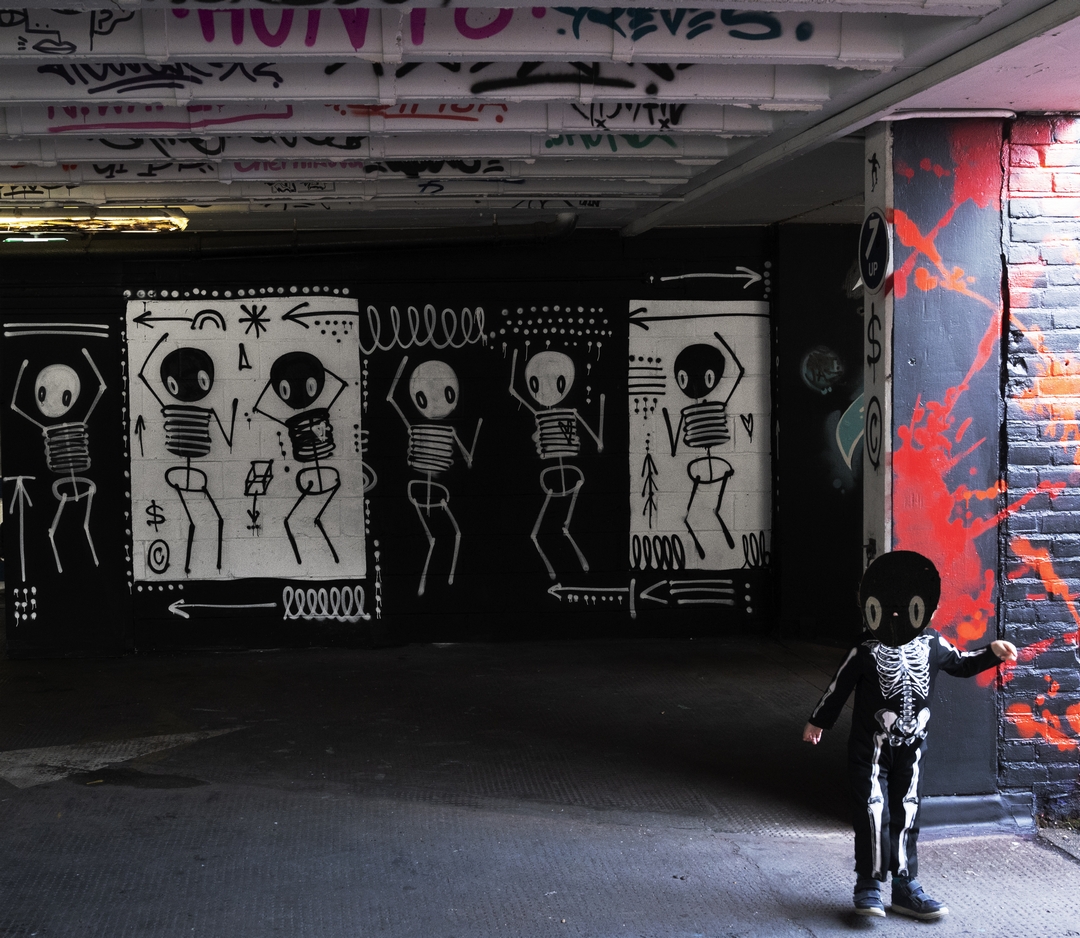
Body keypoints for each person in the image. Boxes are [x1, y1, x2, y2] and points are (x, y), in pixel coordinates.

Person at [801, 550, 1017, 920]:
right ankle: (868, 885)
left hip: (913, 748)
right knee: (872, 811)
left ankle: (905, 886)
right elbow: (838, 687)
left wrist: (990, 654)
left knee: (908, 811)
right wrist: (819, 721)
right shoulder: (865, 649)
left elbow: (963, 664)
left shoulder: (933, 645)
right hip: (870, 748)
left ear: (928, 612)